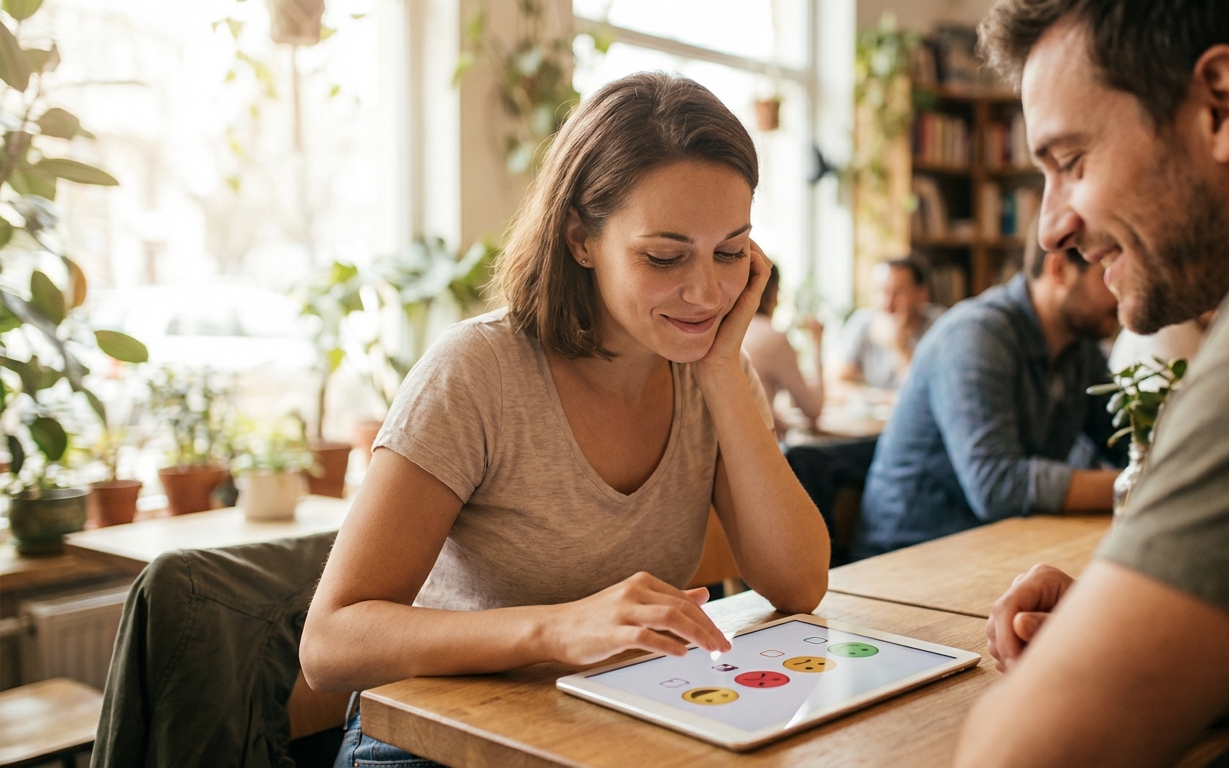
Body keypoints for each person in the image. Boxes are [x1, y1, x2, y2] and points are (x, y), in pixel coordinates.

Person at [299, 73, 830, 767]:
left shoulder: (712, 371)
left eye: (731, 253)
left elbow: (799, 584)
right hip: (432, 745)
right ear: (581, 237)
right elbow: (330, 645)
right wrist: (558, 629)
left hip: (604, 727)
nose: (706, 292)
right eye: (664, 256)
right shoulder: (478, 371)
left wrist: (725, 371)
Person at [956, 2, 1229, 767]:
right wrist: (1138, 620)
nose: (1050, 229)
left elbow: (1018, 757)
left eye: (1071, 162)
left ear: (1221, 105)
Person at [854, 235, 1123, 559]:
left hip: (998, 546)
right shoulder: (976, 335)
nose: (1122, 286)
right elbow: (998, 486)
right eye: (1107, 272)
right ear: (1059, 270)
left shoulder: (1079, 346)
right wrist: (1136, 487)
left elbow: (1123, 438)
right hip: (909, 557)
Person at [835, 257, 943, 391]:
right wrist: (878, 399)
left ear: (920, 294)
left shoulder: (941, 327)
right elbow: (836, 382)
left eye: (898, 292)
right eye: (881, 291)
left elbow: (925, 393)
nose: (887, 303)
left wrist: (898, 347)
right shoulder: (863, 322)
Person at [743, 264, 825, 439]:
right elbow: (813, 409)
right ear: (773, 292)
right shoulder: (772, 337)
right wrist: (817, 342)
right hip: (758, 451)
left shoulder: (722, 333)